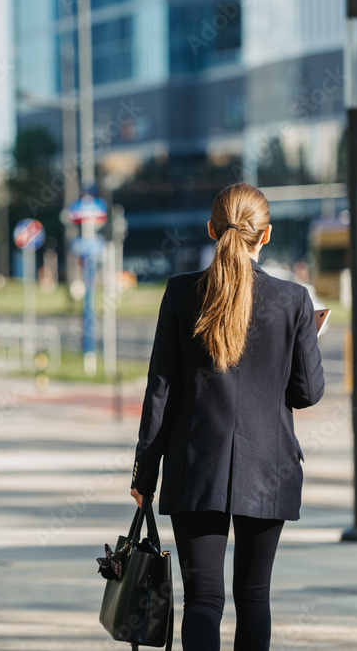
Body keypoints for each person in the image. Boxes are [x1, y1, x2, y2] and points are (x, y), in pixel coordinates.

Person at [129, 183, 325, 650]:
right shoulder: (294, 301)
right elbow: (307, 393)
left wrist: (145, 471)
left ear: (212, 229)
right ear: (267, 235)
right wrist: (308, 343)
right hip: (268, 467)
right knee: (254, 596)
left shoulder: (180, 293)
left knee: (203, 599)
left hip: (196, 466)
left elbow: (161, 391)